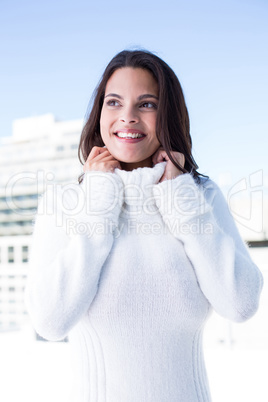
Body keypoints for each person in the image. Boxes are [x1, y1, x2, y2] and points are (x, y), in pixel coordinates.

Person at [25, 50, 263, 402]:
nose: (128, 117)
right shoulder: (64, 204)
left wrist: (180, 198)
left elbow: (240, 304)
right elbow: (49, 320)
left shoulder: (200, 196)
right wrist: (100, 204)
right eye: (114, 102)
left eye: (147, 104)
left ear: (167, 114)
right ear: (99, 114)